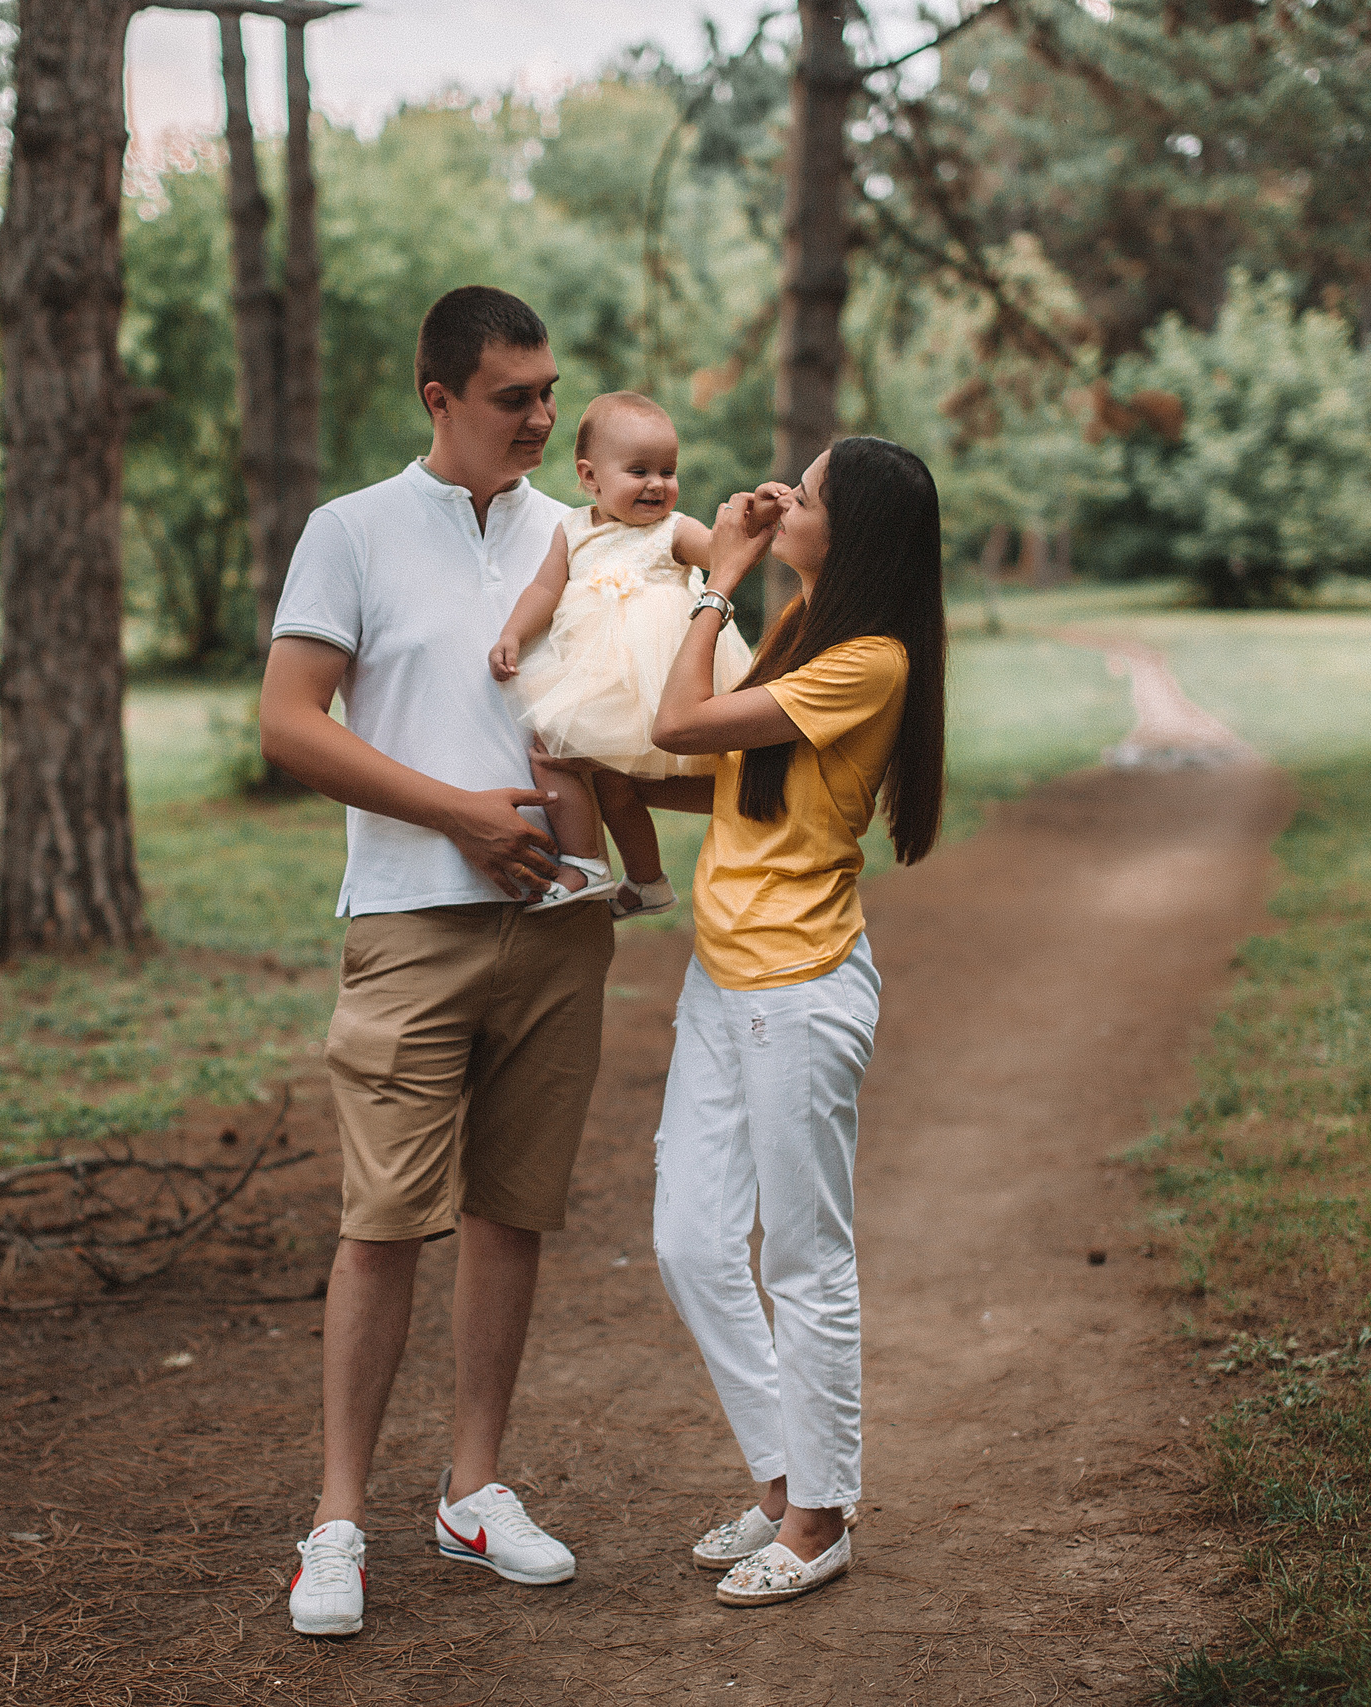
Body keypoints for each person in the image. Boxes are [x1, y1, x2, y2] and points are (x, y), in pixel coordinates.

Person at [257, 287, 611, 1639]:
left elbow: (620, 717)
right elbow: (290, 722)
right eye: (515, 395)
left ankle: (474, 1488)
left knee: (512, 1207)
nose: (541, 417)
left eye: (549, 391)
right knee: (383, 1219)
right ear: (439, 398)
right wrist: (458, 816)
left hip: (563, 923)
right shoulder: (349, 532)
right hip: (409, 919)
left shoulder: (580, 539)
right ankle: (336, 1519)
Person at [635, 436, 949, 1607]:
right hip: (725, 976)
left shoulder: (870, 659)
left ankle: (818, 1521)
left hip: (797, 985)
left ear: (846, 529)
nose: (782, 495)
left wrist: (719, 573)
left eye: (804, 493)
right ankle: (781, 1481)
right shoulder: (806, 629)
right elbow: (720, 772)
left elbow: (679, 725)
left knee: (804, 1260)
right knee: (688, 1241)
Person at [486, 391, 755, 917]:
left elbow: (721, 554)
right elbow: (543, 591)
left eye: (668, 470)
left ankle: (586, 863)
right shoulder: (572, 531)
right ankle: (647, 880)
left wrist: (748, 523)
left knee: (549, 751)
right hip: (599, 678)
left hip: (656, 683)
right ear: (591, 478)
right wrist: (513, 634)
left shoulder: (672, 531)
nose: (658, 483)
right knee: (613, 782)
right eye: (639, 470)